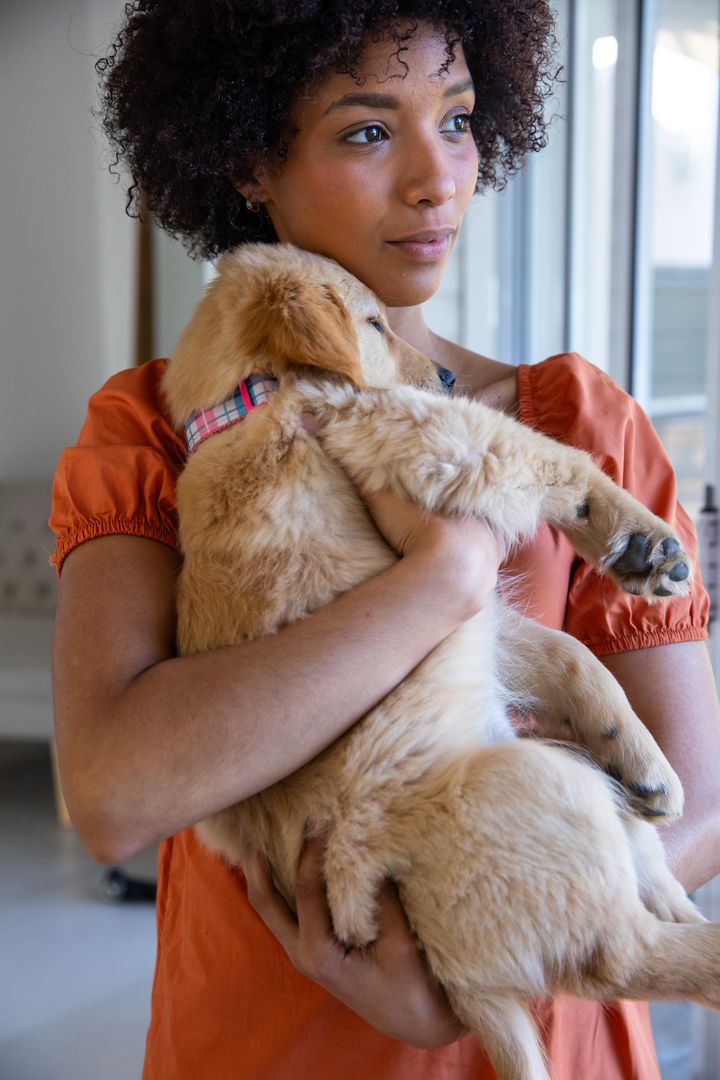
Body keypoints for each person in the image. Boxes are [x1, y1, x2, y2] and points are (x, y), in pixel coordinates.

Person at [50, 2, 720, 1077]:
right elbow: (114, 795)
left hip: (547, 1026)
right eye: (368, 131)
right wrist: (447, 574)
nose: (436, 179)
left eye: (456, 121)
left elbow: (696, 794)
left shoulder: (580, 427)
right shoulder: (156, 431)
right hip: (266, 1044)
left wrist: (485, 950)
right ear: (249, 161)